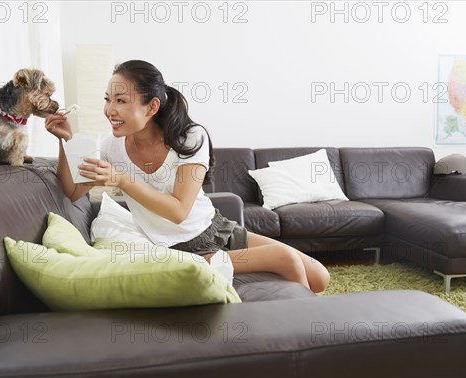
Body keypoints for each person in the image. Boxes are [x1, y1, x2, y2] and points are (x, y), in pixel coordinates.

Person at [45, 60, 330, 293]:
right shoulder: (111, 147)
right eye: (108, 99)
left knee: (320, 277)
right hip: (181, 251)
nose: (110, 110)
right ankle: (311, 333)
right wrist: (65, 141)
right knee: (287, 258)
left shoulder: (190, 138)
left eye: (121, 100)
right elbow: (73, 192)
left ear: (152, 106)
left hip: (217, 231)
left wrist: (121, 179)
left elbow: (179, 211)